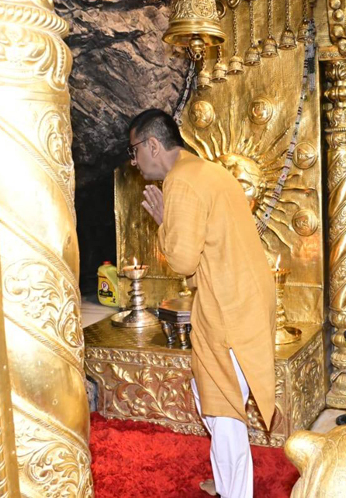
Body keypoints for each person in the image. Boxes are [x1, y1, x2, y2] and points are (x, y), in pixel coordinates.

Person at [129, 109, 276, 498]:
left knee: (222, 407)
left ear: (152, 145)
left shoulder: (181, 181)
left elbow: (182, 261)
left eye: (134, 150)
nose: (134, 161)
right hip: (244, 296)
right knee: (207, 391)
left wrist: (164, 223)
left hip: (226, 305)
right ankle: (226, 480)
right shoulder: (207, 171)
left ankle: (235, 492)